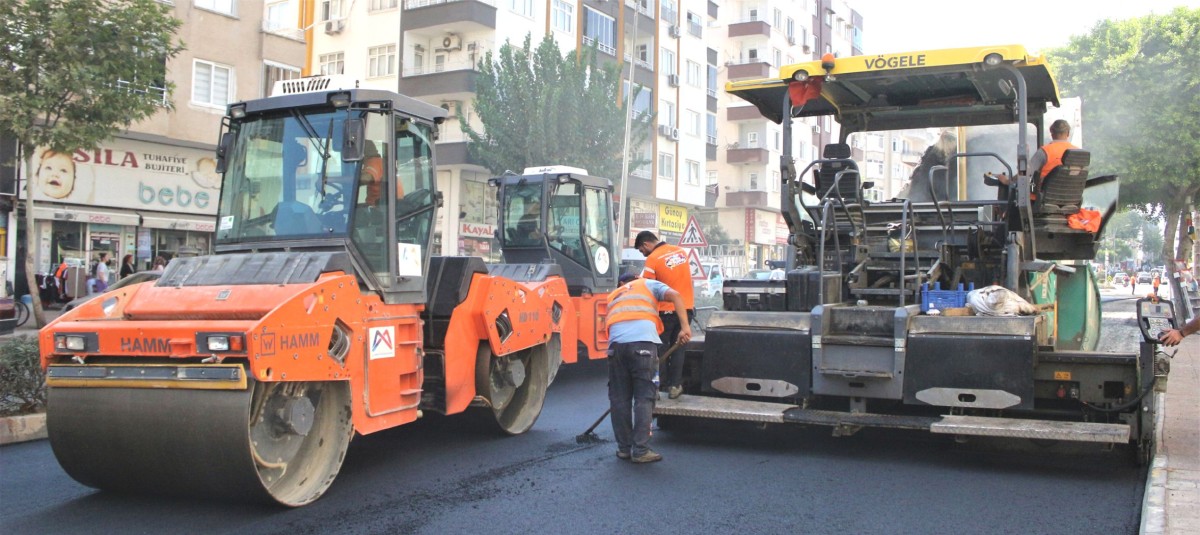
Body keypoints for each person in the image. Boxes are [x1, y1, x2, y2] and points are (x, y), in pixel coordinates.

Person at [606, 272, 691, 464]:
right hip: (643, 346)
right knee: (644, 397)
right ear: (637, 279)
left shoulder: (614, 295)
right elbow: (677, 296)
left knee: (619, 399)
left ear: (622, 283)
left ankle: (624, 449)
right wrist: (684, 327)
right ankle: (641, 450)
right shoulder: (647, 284)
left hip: (616, 348)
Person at [635, 230, 695, 399]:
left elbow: (646, 287)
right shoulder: (681, 252)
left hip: (665, 311)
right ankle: (675, 386)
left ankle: (660, 386)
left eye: (641, 250)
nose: (643, 253)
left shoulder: (652, 259)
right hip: (686, 308)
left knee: (660, 348)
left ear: (646, 244)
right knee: (679, 348)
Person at [994, 119, 1079, 188]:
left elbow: (1025, 174)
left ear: (1052, 133)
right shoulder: (1078, 153)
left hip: (1043, 200)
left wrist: (1007, 181)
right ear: (1068, 133)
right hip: (1072, 199)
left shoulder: (1045, 151)